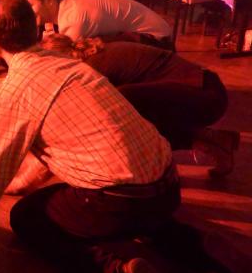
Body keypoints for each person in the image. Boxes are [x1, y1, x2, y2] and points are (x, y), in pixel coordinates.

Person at [0, 0, 235, 273]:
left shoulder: (12, 94)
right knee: (143, 213)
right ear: (34, 28)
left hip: (119, 201)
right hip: (167, 186)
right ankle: (197, 246)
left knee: (28, 217)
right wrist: (24, 181)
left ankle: (114, 272)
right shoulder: (74, 66)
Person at [41, 34, 238, 177]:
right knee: (123, 107)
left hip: (206, 98)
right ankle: (212, 140)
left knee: (119, 108)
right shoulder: (97, 53)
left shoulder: (93, 69)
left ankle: (196, 149)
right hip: (207, 90)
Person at [17, 0, 172, 46]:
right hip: (149, 35)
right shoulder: (63, 4)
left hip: (157, 40)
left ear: (49, 0)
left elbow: (62, 61)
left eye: (30, 5)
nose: (25, 12)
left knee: (89, 56)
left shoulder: (73, 17)